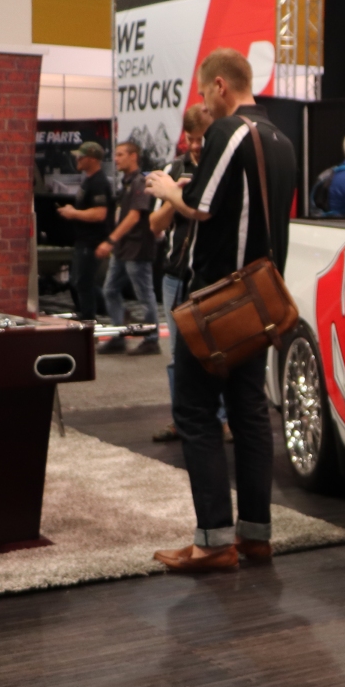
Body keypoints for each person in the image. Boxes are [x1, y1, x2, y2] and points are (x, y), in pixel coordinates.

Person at [144, 50, 296, 571]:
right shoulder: (281, 139)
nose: (205, 102)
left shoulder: (229, 132)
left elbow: (201, 209)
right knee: (250, 412)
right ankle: (256, 535)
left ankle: (213, 541)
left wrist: (169, 192)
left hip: (217, 301)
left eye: (205, 91)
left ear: (221, 86)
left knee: (194, 411)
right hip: (260, 299)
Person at [149, 104, 212, 441]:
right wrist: (174, 196)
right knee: (177, 354)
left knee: (215, 351)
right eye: (191, 139)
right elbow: (155, 225)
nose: (196, 145)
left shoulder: (220, 167)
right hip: (175, 274)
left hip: (211, 275)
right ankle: (181, 418)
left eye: (202, 138)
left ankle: (220, 418)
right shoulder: (173, 169)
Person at [95, 141, 160, 356]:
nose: (116, 159)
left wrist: (110, 240)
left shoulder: (140, 182)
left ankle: (151, 339)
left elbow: (134, 216)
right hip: (123, 248)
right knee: (110, 290)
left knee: (145, 295)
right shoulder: (127, 183)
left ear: (133, 156)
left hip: (137, 247)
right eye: (116, 155)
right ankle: (118, 336)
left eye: (121, 154)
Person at [54, 141, 113, 321]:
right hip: (83, 239)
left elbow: (100, 213)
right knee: (79, 281)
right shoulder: (88, 181)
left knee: (83, 282)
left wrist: (74, 213)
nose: (77, 159)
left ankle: (89, 318)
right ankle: (104, 310)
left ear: (92, 159)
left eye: (81, 156)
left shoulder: (99, 182)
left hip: (92, 241)